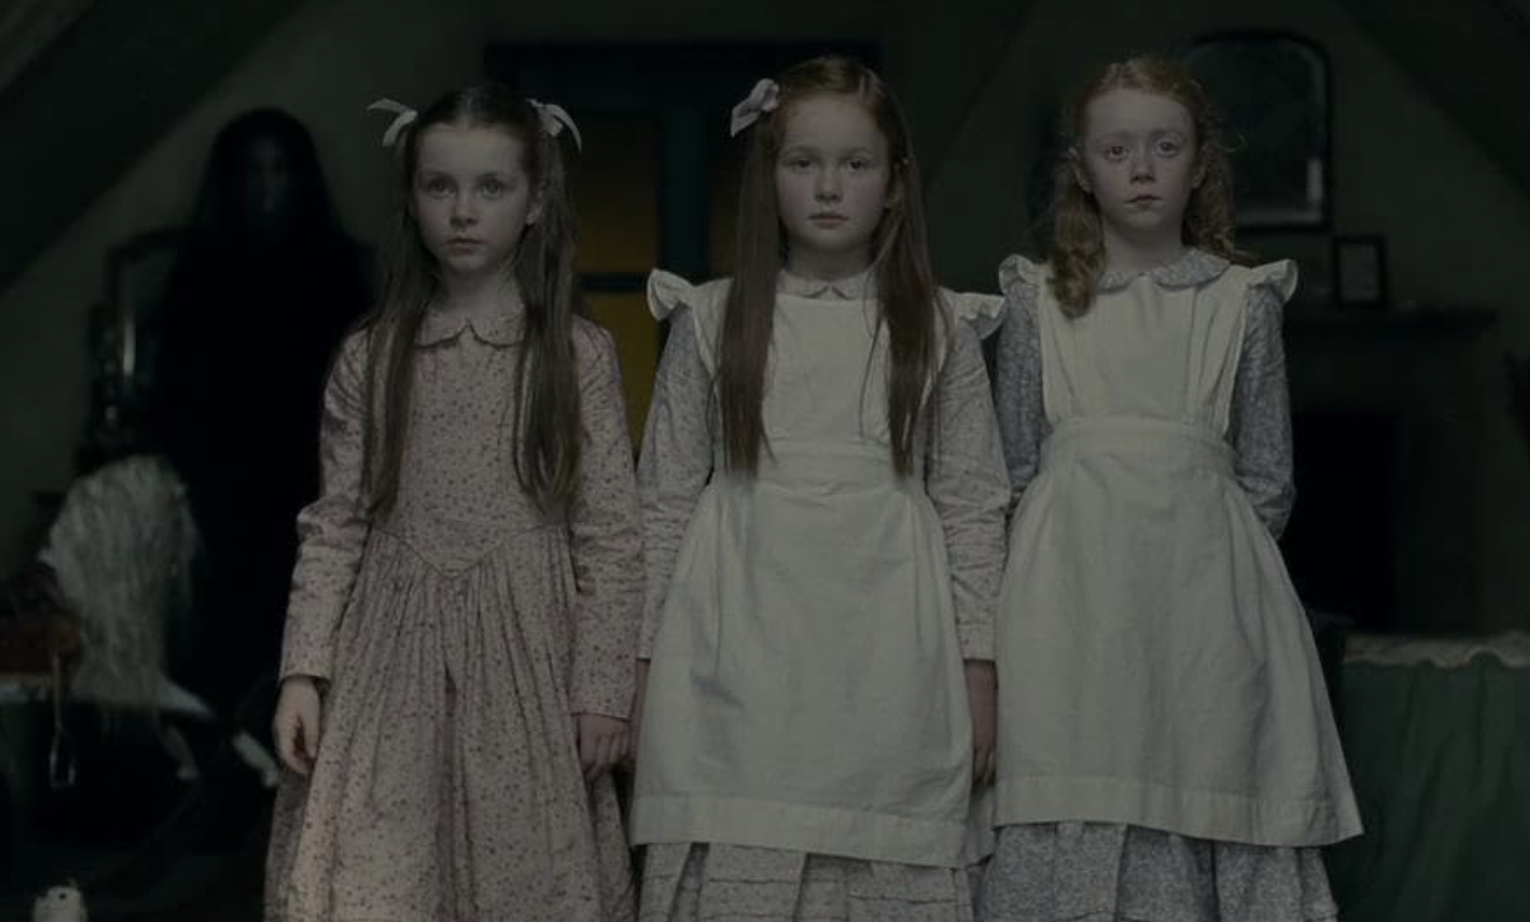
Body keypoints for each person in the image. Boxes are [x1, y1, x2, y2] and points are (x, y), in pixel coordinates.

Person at [982, 56, 1360, 922]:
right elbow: (1013, 471)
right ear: (1082, 169)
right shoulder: (1038, 301)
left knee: (1209, 771)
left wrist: (1210, 575)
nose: (1142, 169)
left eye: (1165, 146)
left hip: (1205, 608)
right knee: (1079, 773)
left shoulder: (1242, 301)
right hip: (1069, 610)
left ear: (1201, 164)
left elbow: (1267, 477)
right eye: (1117, 150)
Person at [630, 55, 1009, 921]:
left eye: (855, 164)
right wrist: (642, 668)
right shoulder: (711, 319)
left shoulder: (939, 328)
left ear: (896, 184)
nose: (829, 187)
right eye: (803, 163)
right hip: (735, 653)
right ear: (768, 179)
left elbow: (974, 507)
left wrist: (979, 671)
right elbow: (663, 503)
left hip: (890, 658)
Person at [264, 83, 641, 922]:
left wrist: (604, 689)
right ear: (411, 199)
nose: (463, 211)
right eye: (440, 186)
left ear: (535, 202)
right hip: (389, 662)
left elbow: (613, 536)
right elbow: (334, 528)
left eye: (490, 187)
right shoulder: (372, 357)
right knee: (381, 875)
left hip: (528, 659)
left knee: (526, 879)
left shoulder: (575, 355)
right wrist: (303, 671)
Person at [150, 108, 370, 707]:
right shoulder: (203, 270)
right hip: (225, 492)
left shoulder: (335, 268)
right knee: (229, 645)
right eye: (253, 171)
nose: (268, 187)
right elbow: (176, 391)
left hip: (314, 482)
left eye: (280, 170)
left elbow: (361, 389)